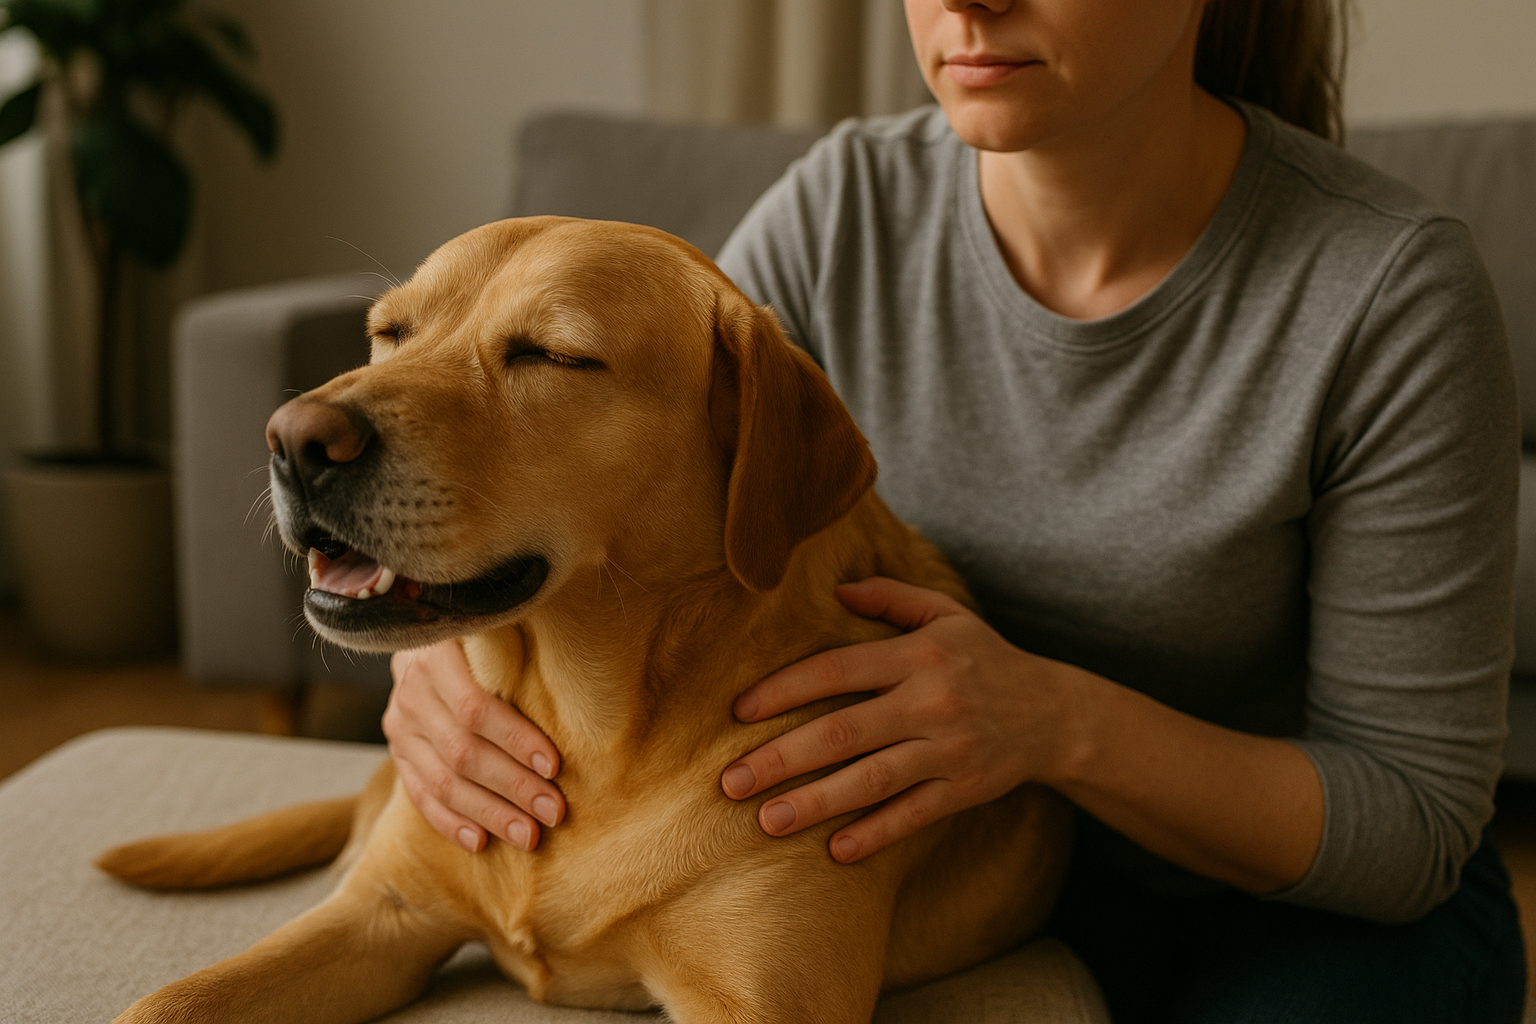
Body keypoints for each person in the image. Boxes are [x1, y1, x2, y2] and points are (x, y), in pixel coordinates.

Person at [382, 0, 1527, 1019]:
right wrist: (436, 642)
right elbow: (636, 495)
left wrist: (1051, 722)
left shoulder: (1390, 291)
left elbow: (1414, 824)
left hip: (1299, 903)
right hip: (965, 866)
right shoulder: (843, 208)